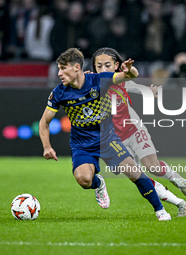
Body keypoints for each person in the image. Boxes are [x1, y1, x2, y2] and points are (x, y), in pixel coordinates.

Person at [39, 48, 171, 221]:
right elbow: (44, 122)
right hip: (82, 144)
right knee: (84, 179)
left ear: (77, 67)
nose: (59, 73)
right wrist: (47, 147)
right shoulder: (59, 92)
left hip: (108, 139)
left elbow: (131, 76)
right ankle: (99, 183)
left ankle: (160, 211)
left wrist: (129, 69)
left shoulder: (100, 80)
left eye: (63, 68)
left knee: (134, 172)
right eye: (59, 68)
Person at [91, 47, 186, 217]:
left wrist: (149, 90)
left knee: (151, 166)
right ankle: (181, 204)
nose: (103, 70)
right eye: (99, 66)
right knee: (139, 177)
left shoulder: (121, 80)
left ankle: (176, 179)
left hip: (133, 130)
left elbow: (134, 77)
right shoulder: (90, 84)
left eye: (107, 65)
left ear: (116, 65)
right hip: (114, 141)